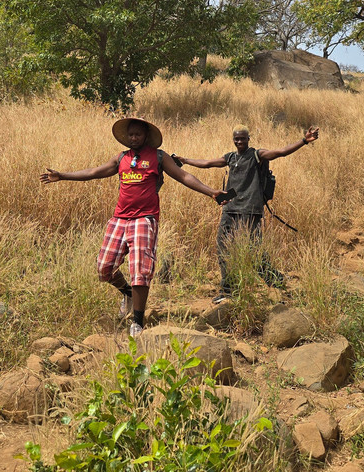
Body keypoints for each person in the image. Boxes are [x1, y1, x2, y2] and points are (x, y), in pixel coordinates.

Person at [39, 117, 231, 338]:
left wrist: (211, 192)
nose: (133, 138)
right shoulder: (121, 158)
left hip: (145, 219)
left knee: (140, 270)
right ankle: (128, 294)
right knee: (104, 268)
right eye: (130, 134)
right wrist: (62, 176)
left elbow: (184, 175)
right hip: (120, 218)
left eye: (137, 134)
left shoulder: (159, 157)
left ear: (146, 136)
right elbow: (93, 172)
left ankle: (137, 323)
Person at [174, 124, 319, 302]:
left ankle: (275, 281)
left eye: (243, 138)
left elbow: (280, 152)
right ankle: (228, 290)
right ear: (233, 140)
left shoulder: (257, 155)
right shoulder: (231, 157)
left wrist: (304, 141)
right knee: (223, 247)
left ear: (248, 139)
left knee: (253, 250)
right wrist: (186, 160)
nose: (240, 141)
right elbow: (207, 164)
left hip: (250, 209)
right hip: (230, 209)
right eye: (237, 138)